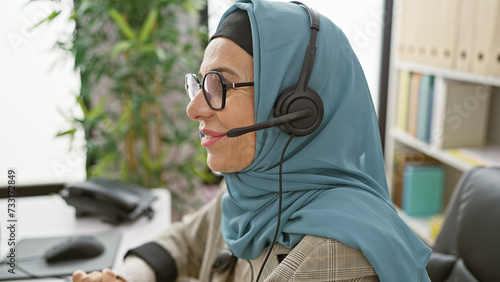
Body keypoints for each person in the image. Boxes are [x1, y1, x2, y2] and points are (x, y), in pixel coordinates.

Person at [73, 0, 432, 281]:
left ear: (296, 111)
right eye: (200, 83)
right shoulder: (252, 191)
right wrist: (127, 277)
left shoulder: (333, 257)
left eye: (220, 85)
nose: (193, 109)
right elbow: (185, 240)